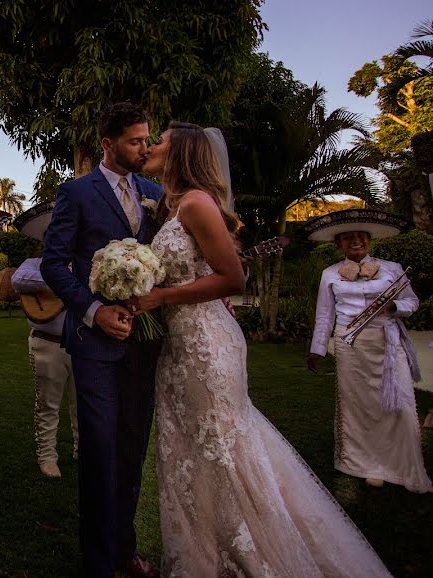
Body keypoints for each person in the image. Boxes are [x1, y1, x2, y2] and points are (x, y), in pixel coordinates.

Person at [132, 121, 394, 577]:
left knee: (221, 446)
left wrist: (161, 297)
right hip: (178, 347)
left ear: (181, 155)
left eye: (161, 142)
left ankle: (255, 556)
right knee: (188, 452)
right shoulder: (171, 211)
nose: (152, 147)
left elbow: (233, 278)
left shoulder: (196, 203)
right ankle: (200, 559)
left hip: (206, 346)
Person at [41, 102, 164, 578]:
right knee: (98, 450)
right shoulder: (76, 193)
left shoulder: (156, 192)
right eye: (135, 141)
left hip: (144, 341)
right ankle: (96, 564)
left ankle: (124, 551)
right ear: (108, 145)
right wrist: (94, 310)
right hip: (94, 344)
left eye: (147, 139)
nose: (145, 148)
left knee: (133, 447)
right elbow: (54, 263)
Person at [306, 209, 432, 493]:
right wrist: (317, 350)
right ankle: (367, 465)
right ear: (339, 243)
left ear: (369, 240)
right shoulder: (329, 275)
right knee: (359, 408)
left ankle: (407, 468)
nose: (355, 241)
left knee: (399, 405)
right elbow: (325, 315)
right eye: (348, 237)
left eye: (361, 236)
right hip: (350, 347)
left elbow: (412, 302)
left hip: (388, 343)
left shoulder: (393, 269)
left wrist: (395, 307)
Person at [11, 202, 79, 478]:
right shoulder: (33, 264)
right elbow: (18, 280)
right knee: (48, 404)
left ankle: (82, 449)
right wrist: (61, 280)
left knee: (82, 404)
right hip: (47, 342)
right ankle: (47, 456)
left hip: (82, 342)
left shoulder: (84, 263)